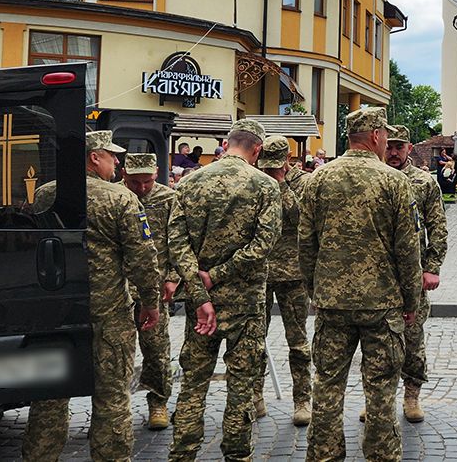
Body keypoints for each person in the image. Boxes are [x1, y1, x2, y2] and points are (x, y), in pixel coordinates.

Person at [22, 130, 168, 461]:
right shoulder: (120, 199)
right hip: (108, 313)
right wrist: (150, 303)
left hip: (56, 309)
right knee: (112, 396)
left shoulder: (45, 195)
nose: (117, 161)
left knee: (49, 396)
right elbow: (143, 258)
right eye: (111, 155)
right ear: (94, 157)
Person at [298, 107, 421, 462]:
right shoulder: (395, 181)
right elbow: (408, 251)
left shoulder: (317, 180)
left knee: (327, 387)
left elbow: (305, 245)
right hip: (381, 306)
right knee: (381, 389)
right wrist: (410, 302)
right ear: (378, 136)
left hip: (332, 304)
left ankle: (323, 456)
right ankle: (381, 457)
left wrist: (315, 291)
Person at [167, 119, 281, 461]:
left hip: (201, 307)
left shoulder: (190, 182)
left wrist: (201, 290)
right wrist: (218, 275)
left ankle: (182, 453)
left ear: (226, 142)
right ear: (257, 149)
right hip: (245, 302)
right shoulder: (264, 186)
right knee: (241, 384)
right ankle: (236, 454)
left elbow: (177, 243)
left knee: (193, 383)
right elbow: (263, 245)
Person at [383, 125, 449, 422]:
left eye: (399, 147)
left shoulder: (423, 183)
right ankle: (380, 396)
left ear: (409, 148)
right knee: (378, 339)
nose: (394, 152)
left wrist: (432, 267)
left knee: (412, 337)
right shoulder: (374, 178)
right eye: (389, 146)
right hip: (378, 276)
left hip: (413, 274)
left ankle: (411, 394)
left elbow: (438, 227)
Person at [121, 152, 183, 431]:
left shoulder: (168, 199)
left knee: (157, 348)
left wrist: (173, 277)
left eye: (147, 181)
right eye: (135, 182)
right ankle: (115, 408)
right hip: (120, 287)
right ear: (124, 175)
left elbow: (179, 241)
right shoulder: (117, 197)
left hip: (155, 287)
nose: (142, 188)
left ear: (156, 173)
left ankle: (158, 402)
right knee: (118, 351)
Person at [255, 134, 313, 426]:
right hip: (260, 273)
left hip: (293, 273)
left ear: (288, 161)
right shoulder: (255, 179)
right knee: (254, 339)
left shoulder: (304, 183)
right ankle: (255, 395)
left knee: (298, 341)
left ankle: (302, 398)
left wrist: (281, 184)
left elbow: (302, 220)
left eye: (274, 168)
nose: (268, 172)